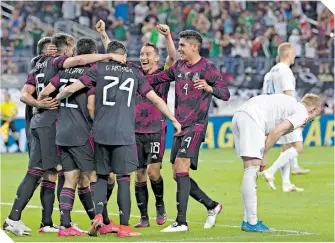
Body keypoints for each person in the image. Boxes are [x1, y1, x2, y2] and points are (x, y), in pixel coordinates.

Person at [55, 40, 181, 237]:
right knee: (123, 179)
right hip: (124, 132)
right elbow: (155, 99)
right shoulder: (134, 73)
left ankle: (98, 216)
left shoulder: (98, 68)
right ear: (124, 55)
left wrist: (55, 99)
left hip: (100, 131)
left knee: (102, 176)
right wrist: (173, 119)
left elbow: (72, 89)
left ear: (110, 54)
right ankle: (124, 226)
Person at [24, 33, 118, 233]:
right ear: (92, 54)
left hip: (62, 133)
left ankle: (65, 225)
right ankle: (103, 223)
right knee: (95, 176)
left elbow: (43, 93)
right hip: (82, 132)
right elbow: (93, 106)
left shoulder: (62, 75)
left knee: (70, 178)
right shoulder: (92, 73)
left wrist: (40, 105)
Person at [145, 30, 230, 232]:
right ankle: (212, 205)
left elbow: (225, 93)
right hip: (180, 127)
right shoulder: (179, 67)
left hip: (197, 125)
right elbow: (157, 79)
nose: (180, 49)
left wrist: (209, 88)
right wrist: (133, 79)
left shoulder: (207, 68)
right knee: (177, 174)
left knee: (182, 167)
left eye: (182, 45)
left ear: (194, 47)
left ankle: (181, 222)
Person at [95, 19, 177, 228]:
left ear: (156, 58)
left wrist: (168, 36)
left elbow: (174, 57)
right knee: (139, 174)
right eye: (141, 54)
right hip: (133, 131)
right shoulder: (133, 72)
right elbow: (115, 55)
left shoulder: (163, 74)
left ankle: (160, 204)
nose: (144, 57)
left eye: (148, 54)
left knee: (153, 172)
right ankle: (143, 217)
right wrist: (104, 35)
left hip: (156, 129)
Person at [232, 93, 321, 232]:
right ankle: (252, 222)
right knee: (251, 170)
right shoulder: (302, 112)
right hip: (252, 117)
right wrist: (263, 154)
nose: (313, 119)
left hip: (240, 114)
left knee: (250, 169)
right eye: (316, 115)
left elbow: (271, 130)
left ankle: (247, 220)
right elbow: (276, 131)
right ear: (313, 110)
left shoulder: (290, 105)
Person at [3, 37, 59, 236]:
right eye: (53, 49)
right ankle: (12, 218)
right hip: (39, 127)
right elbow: (24, 95)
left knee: (49, 173)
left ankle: (46, 222)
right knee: (36, 172)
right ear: (45, 52)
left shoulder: (40, 68)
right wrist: (40, 103)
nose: (57, 53)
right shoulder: (39, 66)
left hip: (41, 127)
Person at [262, 42, 310, 193]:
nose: (295, 56)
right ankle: (270, 171)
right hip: (285, 114)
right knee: (297, 147)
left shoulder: (270, 72)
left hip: (272, 113)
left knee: (286, 148)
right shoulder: (285, 71)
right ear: (288, 54)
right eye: (293, 53)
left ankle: (286, 183)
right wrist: (297, 116)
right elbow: (288, 94)